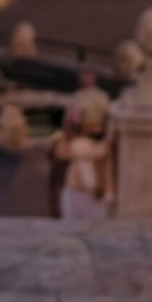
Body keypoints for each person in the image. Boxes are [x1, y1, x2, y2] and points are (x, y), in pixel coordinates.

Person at [52, 90, 114, 222]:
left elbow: (103, 151)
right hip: (76, 191)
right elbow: (61, 153)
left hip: (97, 192)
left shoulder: (103, 143)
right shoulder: (69, 141)